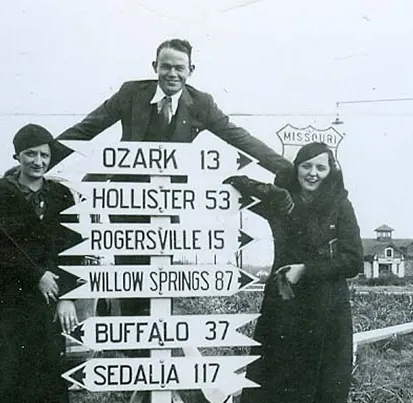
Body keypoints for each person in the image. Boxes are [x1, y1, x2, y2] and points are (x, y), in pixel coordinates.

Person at [56, 37, 292, 323]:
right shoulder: (131, 94)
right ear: (154, 67)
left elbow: (239, 137)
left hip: (169, 205)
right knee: (130, 279)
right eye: (165, 66)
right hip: (126, 203)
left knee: (160, 281)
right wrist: (41, 157)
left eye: (179, 68)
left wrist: (289, 171)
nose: (172, 74)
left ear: (191, 70)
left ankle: (156, 345)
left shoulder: (201, 103)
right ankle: (134, 349)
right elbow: (86, 129)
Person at [225, 142, 364, 403]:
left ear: (331, 172)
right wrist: (271, 190)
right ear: (296, 168)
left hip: (327, 306)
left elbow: (354, 260)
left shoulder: (340, 204)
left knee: (326, 384)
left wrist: (307, 270)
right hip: (286, 305)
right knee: (289, 381)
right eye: (306, 166)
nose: (312, 174)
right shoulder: (280, 200)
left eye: (321, 167)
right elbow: (238, 184)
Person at [0, 124, 82, 403]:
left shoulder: (61, 196)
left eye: (44, 155)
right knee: (5, 378)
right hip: (6, 304)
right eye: (31, 154)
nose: (38, 161)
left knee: (41, 380)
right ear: (17, 155)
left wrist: (66, 294)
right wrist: (36, 275)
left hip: (46, 307)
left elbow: (73, 250)